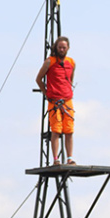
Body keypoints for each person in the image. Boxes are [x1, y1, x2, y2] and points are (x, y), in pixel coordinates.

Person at [35, 36, 77, 165]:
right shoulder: (50, 61)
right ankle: (56, 159)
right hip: (54, 101)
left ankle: (70, 158)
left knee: (69, 130)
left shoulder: (71, 62)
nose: (62, 49)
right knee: (56, 130)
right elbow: (38, 79)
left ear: (68, 48)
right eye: (60, 47)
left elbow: (70, 79)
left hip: (67, 100)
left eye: (64, 47)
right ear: (56, 48)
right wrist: (46, 93)